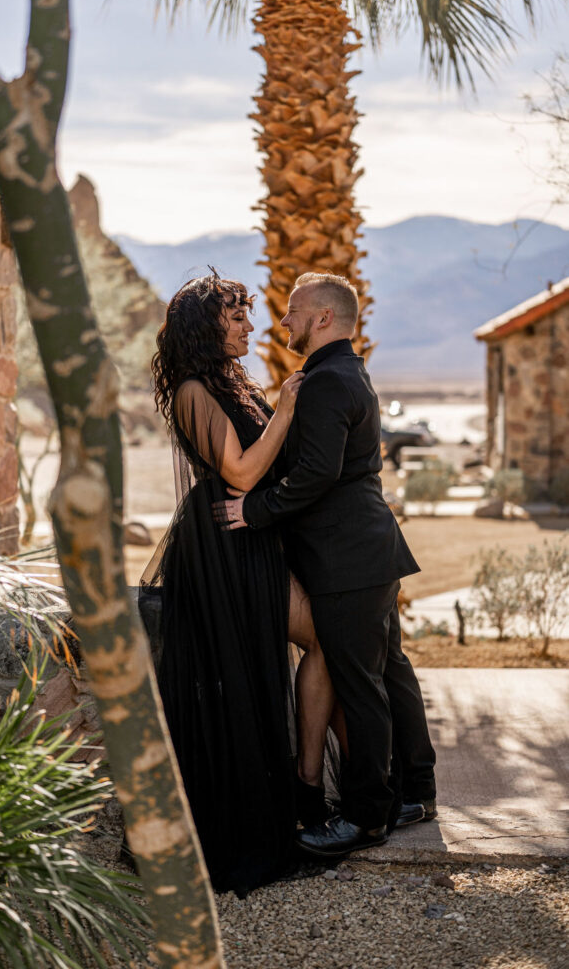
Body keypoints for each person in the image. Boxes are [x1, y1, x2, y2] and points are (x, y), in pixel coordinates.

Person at [215, 271, 436, 858]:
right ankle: (418, 789)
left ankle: (366, 818)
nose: (281, 322)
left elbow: (318, 472)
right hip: (368, 549)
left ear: (321, 319)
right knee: (387, 669)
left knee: (361, 686)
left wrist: (253, 512)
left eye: (291, 312)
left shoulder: (326, 381)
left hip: (347, 557)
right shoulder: (343, 372)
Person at [143, 270, 342, 894]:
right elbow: (242, 472)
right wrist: (284, 409)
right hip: (224, 545)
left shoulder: (231, 384)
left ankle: (311, 788)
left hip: (253, 538)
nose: (250, 328)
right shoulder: (194, 392)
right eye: (237, 317)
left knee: (320, 644)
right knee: (307, 646)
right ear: (208, 326)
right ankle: (302, 795)